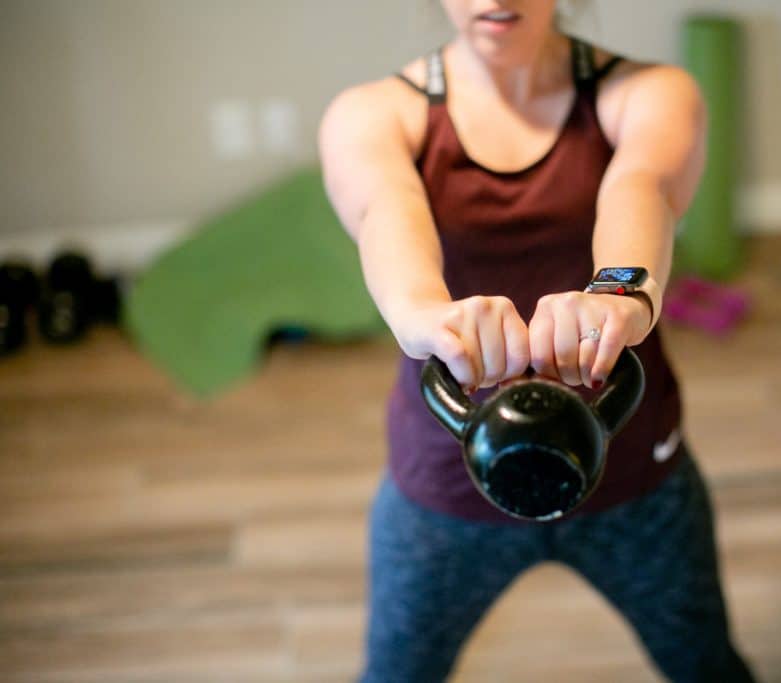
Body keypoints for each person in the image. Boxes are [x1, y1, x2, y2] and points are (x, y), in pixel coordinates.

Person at [319, 2, 757, 680]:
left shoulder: (650, 93)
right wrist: (421, 315)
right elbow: (385, 211)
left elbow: (643, 186)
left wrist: (615, 297)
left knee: (707, 668)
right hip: (447, 486)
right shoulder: (371, 114)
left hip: (633, 474)